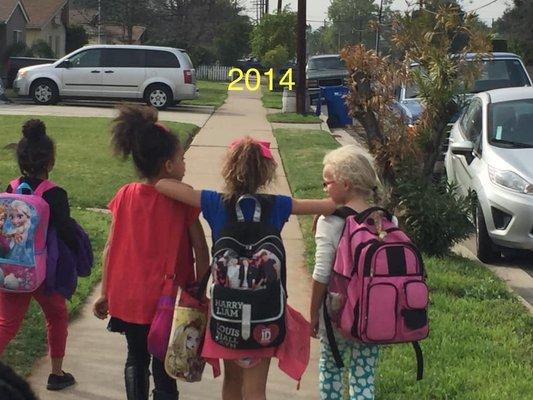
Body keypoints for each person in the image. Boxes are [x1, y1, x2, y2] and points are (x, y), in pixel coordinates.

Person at [156, 136, 336, 400]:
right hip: (265, 315)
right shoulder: (278, 205)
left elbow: (162, 185)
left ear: (229, 170)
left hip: (226, 313)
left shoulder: (214, 202)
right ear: (266, 174)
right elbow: (330, 205)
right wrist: (325, 209)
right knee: (256, 390)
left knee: (231, 382)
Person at [92, 105, 209, 400]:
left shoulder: (125, 195)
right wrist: (200, 288)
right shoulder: (181, 200)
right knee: (165, 365)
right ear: (168, 166)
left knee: (135, 358)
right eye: (182, 159)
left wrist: (105, 291)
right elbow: (200, 245)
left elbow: (110, 246)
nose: (185, 165)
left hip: (129, 297)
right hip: (168, 299)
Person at [0, 119, 79, 391]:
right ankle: (56, 373)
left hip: (13, 269)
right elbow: (67, 230)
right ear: (50, 160)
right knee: (56, 315)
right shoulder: (55, 194)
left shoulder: (10, 190)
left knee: (6, 324)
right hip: (46, 272)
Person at [310, 145, 384, 400]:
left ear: (345, 184)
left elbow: (321, 273)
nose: (324, 188)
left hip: (337, 312)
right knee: (364, 376)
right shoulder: (385, 220)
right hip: (375, 312)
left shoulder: (329, 221)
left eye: (327, 182)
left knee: (331, 368)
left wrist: (313, 314)